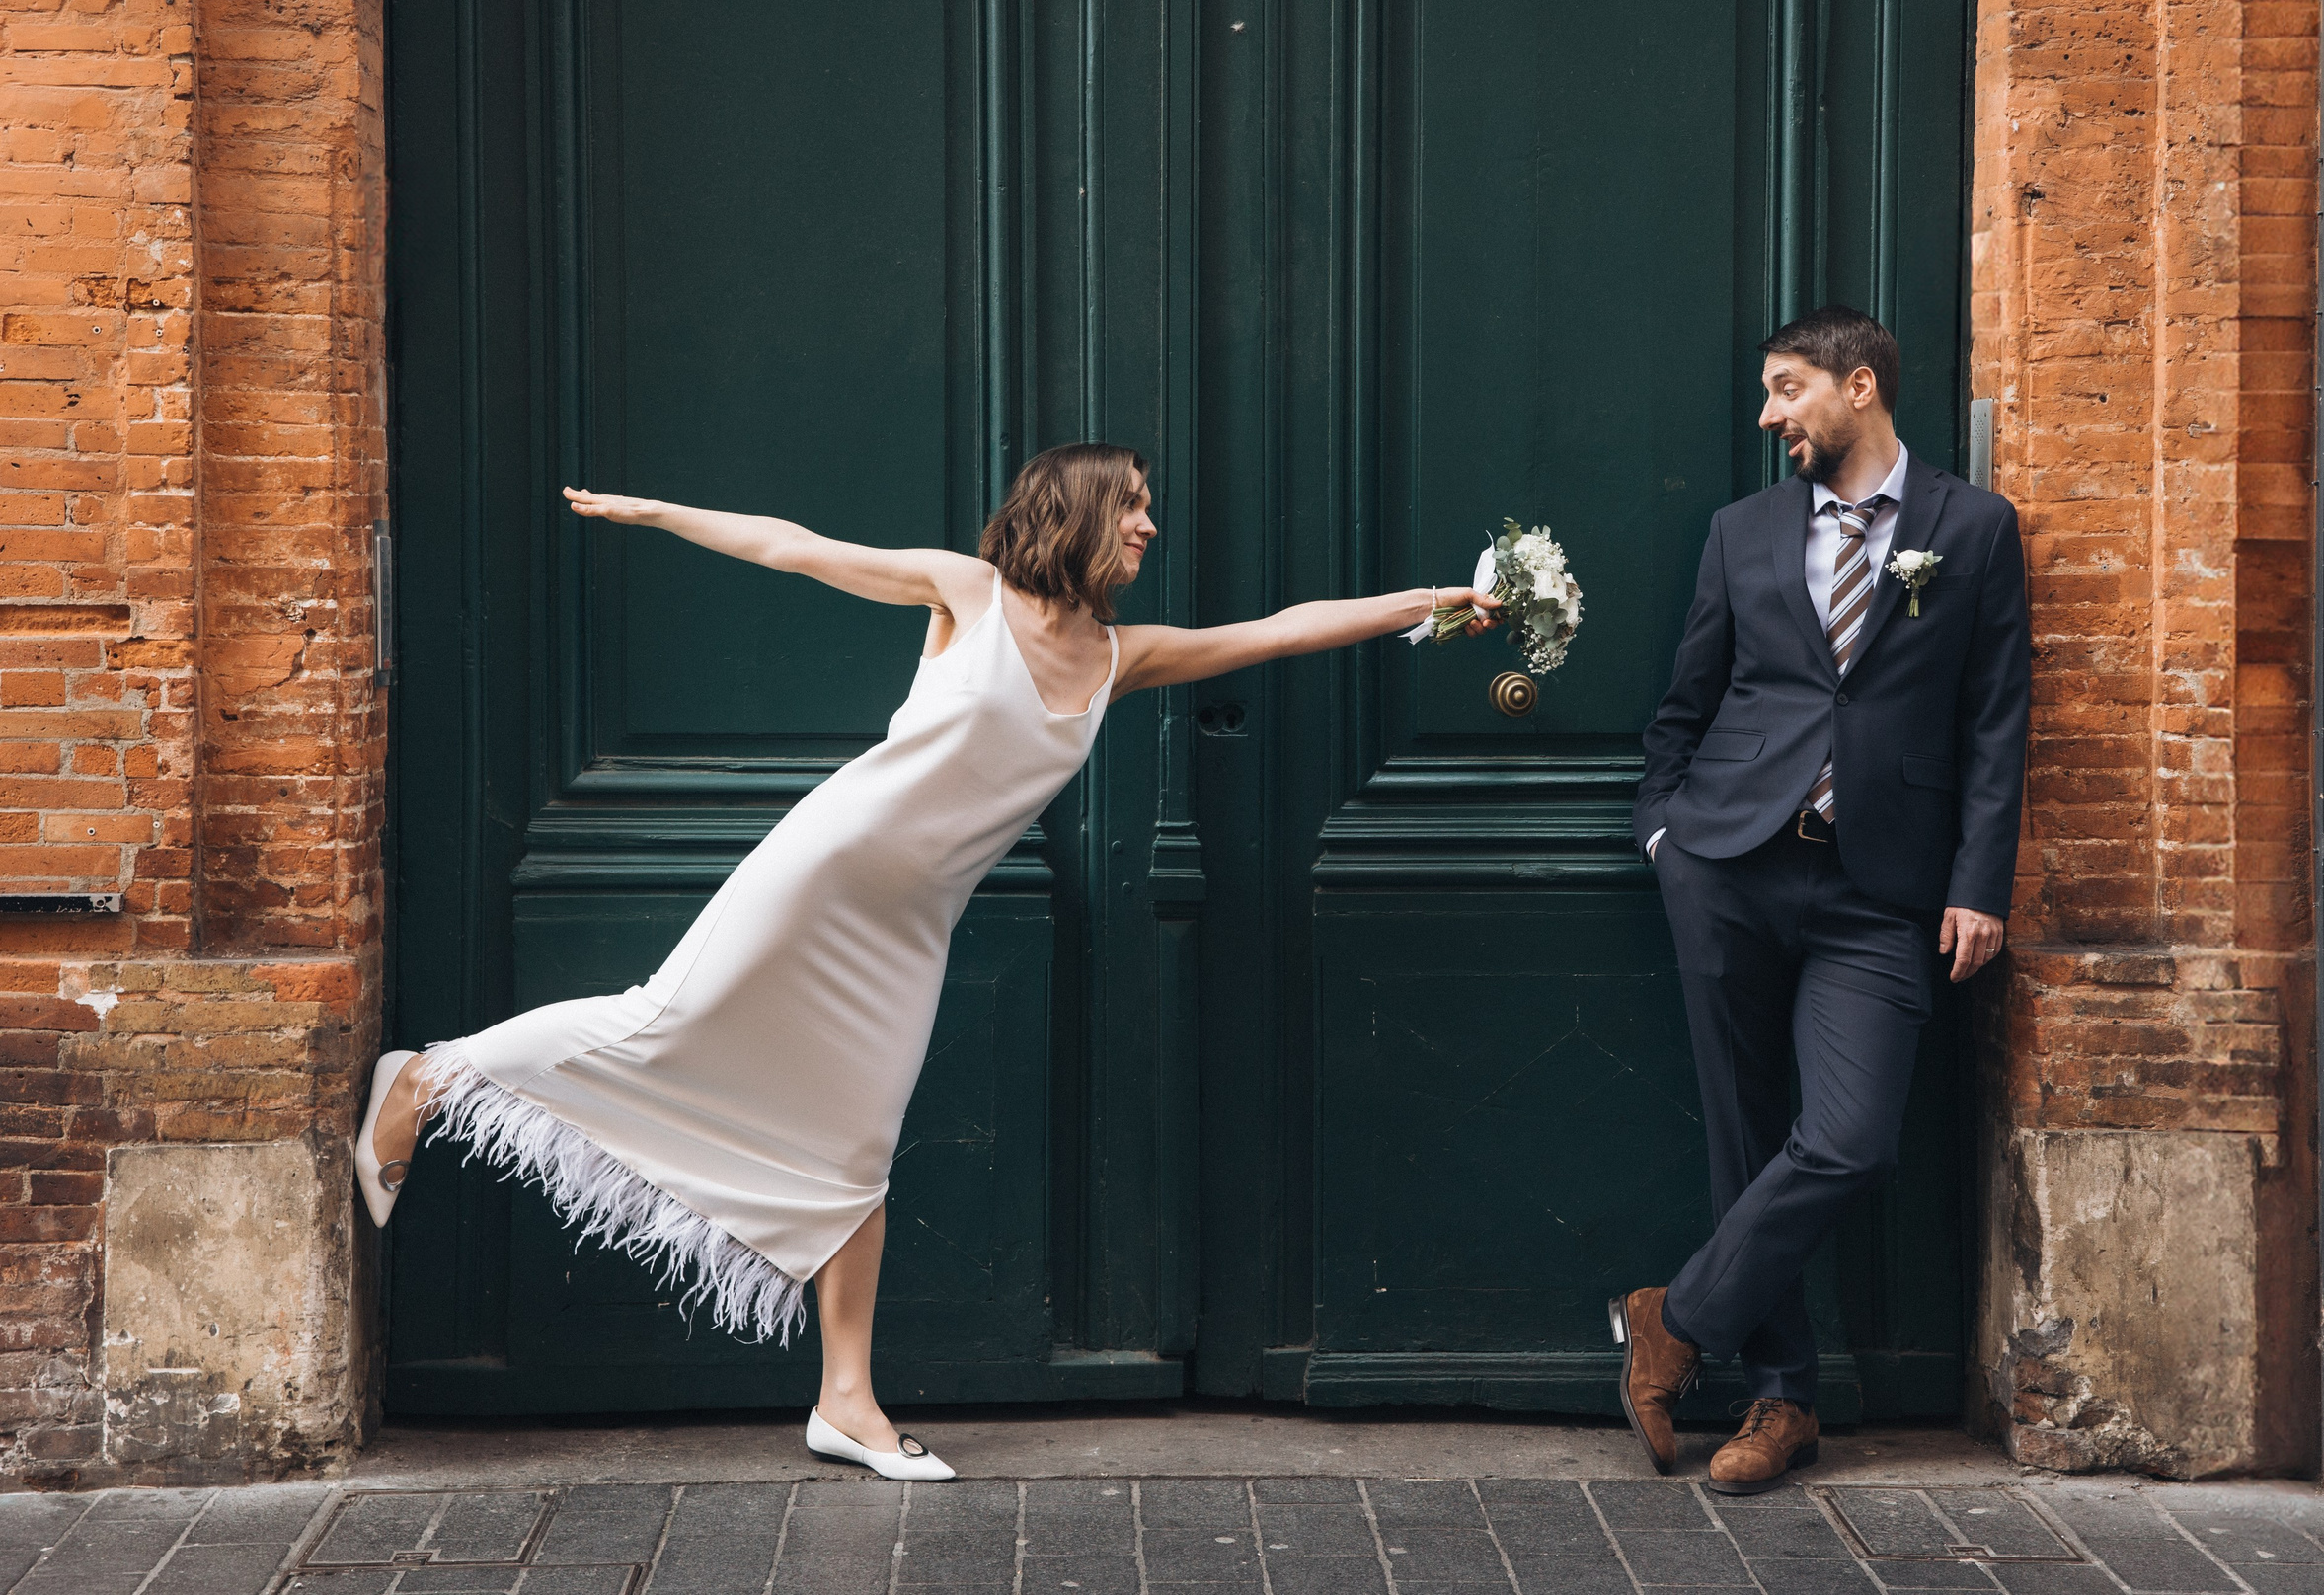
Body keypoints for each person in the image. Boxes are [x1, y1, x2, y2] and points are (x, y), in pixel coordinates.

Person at [353, 442, 1499, 1481]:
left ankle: (844, 1402)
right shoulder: (970, 592)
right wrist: (658, 513)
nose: (1151, 524)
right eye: (1132, 505)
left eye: (1149, 508)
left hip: (911, 924)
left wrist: (1432, 607)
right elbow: (796, 549)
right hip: (822, 867)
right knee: (660, 1019)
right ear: (1074, 511)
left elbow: (1282, 629)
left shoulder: (1119, 657)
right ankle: (426, 1080)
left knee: (857, 1146)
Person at [1611, 306, 2031, 1492]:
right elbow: (1686, 702)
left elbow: (1996, 719)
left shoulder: (1973, 528)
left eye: (1785, 387)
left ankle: (1671, 1318)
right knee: (1743, 1138)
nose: (1767, 414)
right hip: (1728, 864)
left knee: (1848, 1141)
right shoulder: (1739, 531)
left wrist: (1978, 883)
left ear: (1859, 385)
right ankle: (1783, 1401)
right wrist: (1664, 834)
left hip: (1879, 889)